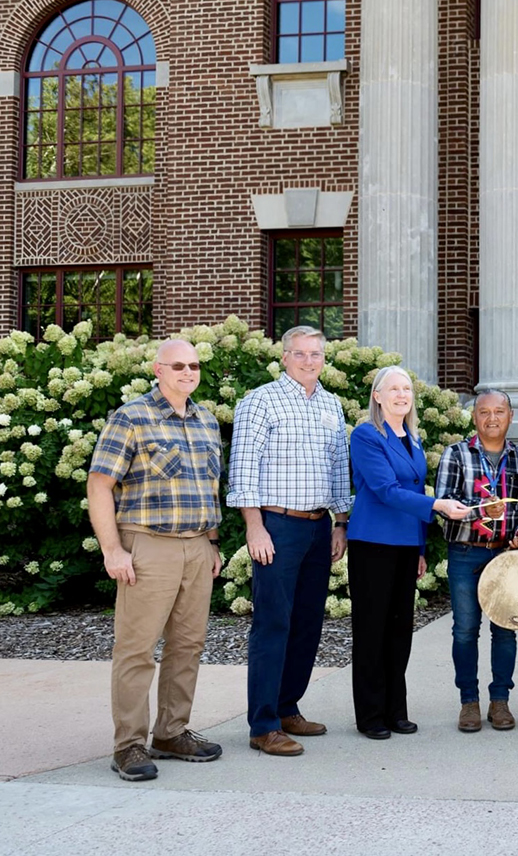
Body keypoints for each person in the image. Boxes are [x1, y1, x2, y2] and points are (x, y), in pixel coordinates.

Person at [87, 339, 225, 781]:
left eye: (195, 365)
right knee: (137, 649)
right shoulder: (131, 417)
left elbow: (210, 488)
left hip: (197, 547)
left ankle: (171, 732)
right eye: (179, 365)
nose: (188, 372)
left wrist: (213, 544)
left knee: (188, 645)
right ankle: (128, 744)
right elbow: (99, 485)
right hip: (147, 546)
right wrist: (113, 550)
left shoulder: (205, 420)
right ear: (158, 369)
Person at [229, 325, 352, 757]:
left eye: (316, 353)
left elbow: (339, 466)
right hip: (277, 526)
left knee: (306, 624)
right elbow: (242, 468)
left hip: (320, 528)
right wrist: (254, 526)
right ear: (284, 357)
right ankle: (263, 725)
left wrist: (340, 522)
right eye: (300, 353)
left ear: (324, 357)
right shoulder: (260, 401)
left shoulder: (331, 405)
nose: (308, 360)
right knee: (273, 623)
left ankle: (287, 708)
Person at [346, 366, 471, 739]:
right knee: (372, 630)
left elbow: (413, 488)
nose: (402, 394)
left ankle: (395, 711)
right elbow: (385, 490)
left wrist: (419, 548)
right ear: (377, 396)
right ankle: (370, 715)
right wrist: (438, 505)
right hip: (373, 543)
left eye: (406, 388)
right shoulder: (367, 435)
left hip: (404, 545)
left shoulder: (412, 438)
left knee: (400, 629)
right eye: (393, 389)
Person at [435, 389, 518, 733]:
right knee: (465, 630)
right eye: (484, 412)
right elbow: (443, 504)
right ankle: (469, 701)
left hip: (506, 555)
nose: (492, 418)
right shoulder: (456, 455)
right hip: (466, 553)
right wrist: (479, 510)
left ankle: (500, 701)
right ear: (474, 417)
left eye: (499, 412)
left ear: (510, 416)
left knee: (505, 629)